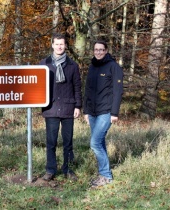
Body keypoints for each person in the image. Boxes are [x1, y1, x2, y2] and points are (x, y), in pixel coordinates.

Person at [39, 33, 82, 181]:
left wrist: (78, 106)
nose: (59, 47)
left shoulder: (73, 65)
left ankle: (68, 169)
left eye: (62, 44)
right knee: (51, 142)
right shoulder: (44, 64)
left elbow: (77, 87)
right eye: (57, 44)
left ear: (65, 46)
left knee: (68, 142)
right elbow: (38, 87)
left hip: (68, 108)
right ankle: (50, 170)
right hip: (50, 108)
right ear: (52, 45)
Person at [83, 40, 123, 187]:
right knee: (99, 142)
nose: (98, 52)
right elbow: (87, 90)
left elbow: (118, 91)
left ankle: (106, 175)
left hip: (106, 112)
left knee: (94, 143)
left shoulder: (113, 67)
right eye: (96, 49)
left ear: (106, 51)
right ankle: (103, 174)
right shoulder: (92, 66)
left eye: (101, 49)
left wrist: (114, 112)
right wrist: (86, 111)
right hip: (92, 112)